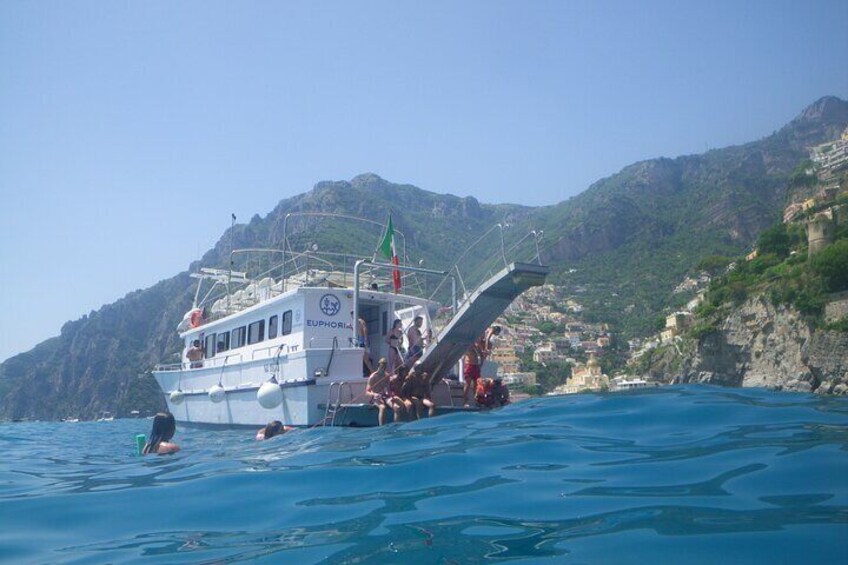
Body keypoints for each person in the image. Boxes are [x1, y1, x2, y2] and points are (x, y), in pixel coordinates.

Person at [366, 358, 391, 426]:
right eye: (382, 365)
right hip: (375, 398)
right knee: (382, 407)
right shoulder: (373, 376)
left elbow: (388, 389)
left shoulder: (387, 376)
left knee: (394, 405)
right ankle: (381, 426)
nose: (384, 367)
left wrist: (388, 393)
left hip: (384, 396)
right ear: (378, 365)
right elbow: (367, 392)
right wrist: (374, 394)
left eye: (385, 365)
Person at [462, 338, 483, 406]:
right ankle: (465, 401)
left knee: (476, 384)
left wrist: (481, 364)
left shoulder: (477, 345)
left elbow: (481, 354)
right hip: (469, 365)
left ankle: (476, 401)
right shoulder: (467, 344)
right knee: (467, 384)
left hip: (476, 366)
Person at [353, 312, 373, 376]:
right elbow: (358, 331)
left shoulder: (360, 320)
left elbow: (364, 329)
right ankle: (368, 372)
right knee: (362, 359)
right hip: (360, 341)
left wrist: (365, 339)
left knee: (366, 359)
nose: (352, 316)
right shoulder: (355, 322)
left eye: (353, 314)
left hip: (363, 341)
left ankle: (373, 372)